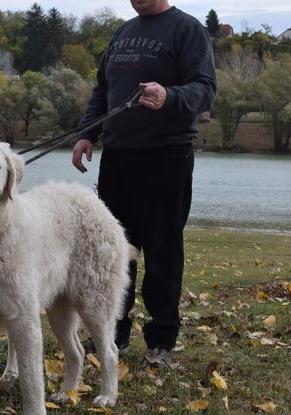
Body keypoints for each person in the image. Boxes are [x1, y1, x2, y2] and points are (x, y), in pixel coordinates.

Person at [71, 0, 216, 368]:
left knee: (163, 250)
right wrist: (88, 133)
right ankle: (112, 333)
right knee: (114, 249)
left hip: (167, 157)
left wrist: (169, 96)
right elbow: (102, 91)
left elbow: (204, 88)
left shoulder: (186, 29)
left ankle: (161, 341)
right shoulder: (123, 33)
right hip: (118, 157)